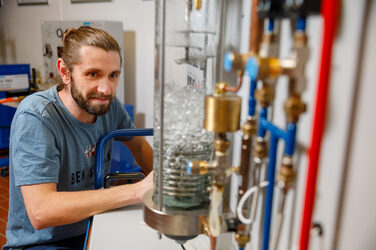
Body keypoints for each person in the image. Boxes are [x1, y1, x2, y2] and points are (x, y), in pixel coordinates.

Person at [3, 26, 153, 249]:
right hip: (42, 243)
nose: (106, 89)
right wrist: (135, 191)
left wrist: (165, 183)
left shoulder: (108, 106)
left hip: (92, 224)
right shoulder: (36, 116)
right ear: (64, 72)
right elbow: (42, 211)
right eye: (93, 74)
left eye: (113, 75)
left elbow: (139, 145)